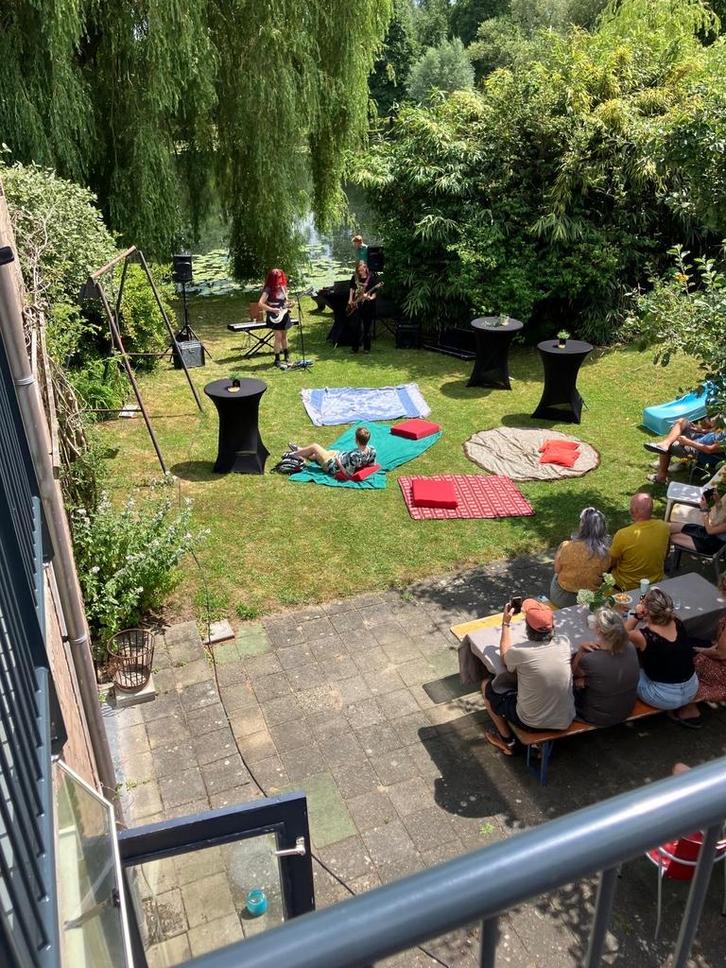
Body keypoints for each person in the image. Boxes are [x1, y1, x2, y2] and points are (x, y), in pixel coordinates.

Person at [482, 598, 575, 755]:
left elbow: (504, 657)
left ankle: (508, 742)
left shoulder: (520, 652)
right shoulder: (564, 642)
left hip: (532, 723)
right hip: (566, 718)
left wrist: (505, 623)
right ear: (553, 626)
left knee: (487, 685)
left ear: (527, 628)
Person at [624, 587, 701, 726]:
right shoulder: (677, 621)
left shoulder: (643, 636)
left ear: (646, 610)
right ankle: (687, 707)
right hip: (691, 688)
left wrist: (636, 615)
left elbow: (621, 635)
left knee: (627, 672)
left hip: (663, 696)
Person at [571, 608, 640, 726]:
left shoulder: (590, 660)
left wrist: (580, 650)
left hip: (598, 716)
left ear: (599, 630)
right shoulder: (630, 646)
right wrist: (588, 681)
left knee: (570, 684)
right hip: (626, 708)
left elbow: (573, 673)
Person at [550, 507, 610, 607]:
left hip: (561, 599)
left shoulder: (566, 546)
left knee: (556, 574)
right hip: (589, 601)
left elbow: (557, 570)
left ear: (582, 526)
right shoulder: (606, 553)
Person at [608, 492, 670, 590]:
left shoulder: (623, 534)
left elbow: (611, 562)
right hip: (655, 582)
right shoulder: (664, 527)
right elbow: (666, 552)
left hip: (626, 585)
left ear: (634, 510)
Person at [645, 416, 726, 484]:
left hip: (700, 451)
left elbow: (709, 450)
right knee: (682, 422)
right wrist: (702, 430)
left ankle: (661, 477)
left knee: (672, 445)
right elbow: (718, 432)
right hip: (700, 438)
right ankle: (665, 445)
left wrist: (688, 442)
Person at [288, 426, 376, 479]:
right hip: (338, 455)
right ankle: (301, 451)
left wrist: (338, 462)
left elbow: (348, 474)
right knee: (318, 454)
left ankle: (293, 454)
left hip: (332, 464)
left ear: (356, 440)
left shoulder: (355, 456)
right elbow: (372, 465)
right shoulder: (372, 450)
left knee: (314, 446)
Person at [668, 486, 726, 558]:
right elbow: (722, 512)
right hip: (705, 533)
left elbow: (710, 531)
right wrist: (717, 501)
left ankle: (660, 557)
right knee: (667, 527)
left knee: (670, 537)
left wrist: (705, 510)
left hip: (711, 544)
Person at [258, 268, 292, 369]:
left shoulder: (283, 287)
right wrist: (272, 309)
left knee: (284, 336)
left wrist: (290, 304)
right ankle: (277, 360)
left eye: (281, 276)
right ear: (272, 278)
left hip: (284, 314)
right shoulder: (268, 289)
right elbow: (260, 303)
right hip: (274, 316)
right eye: (277, 277)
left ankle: (286, 357)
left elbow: (286, 302)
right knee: (278, 337)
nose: (280, 279)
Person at [347, 261, 379, 354]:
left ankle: (366, 348)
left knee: (366, 328)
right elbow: (352, 288)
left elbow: (374, 294)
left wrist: (369, 298)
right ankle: (355, 348)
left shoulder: (371, 279)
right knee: (355, 327)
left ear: (366, 268)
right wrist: (350, 299)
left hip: (368, 307)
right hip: (356, 305)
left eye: (362, 270)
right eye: (359, 270)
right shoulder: (355, 277)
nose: (360, 272)